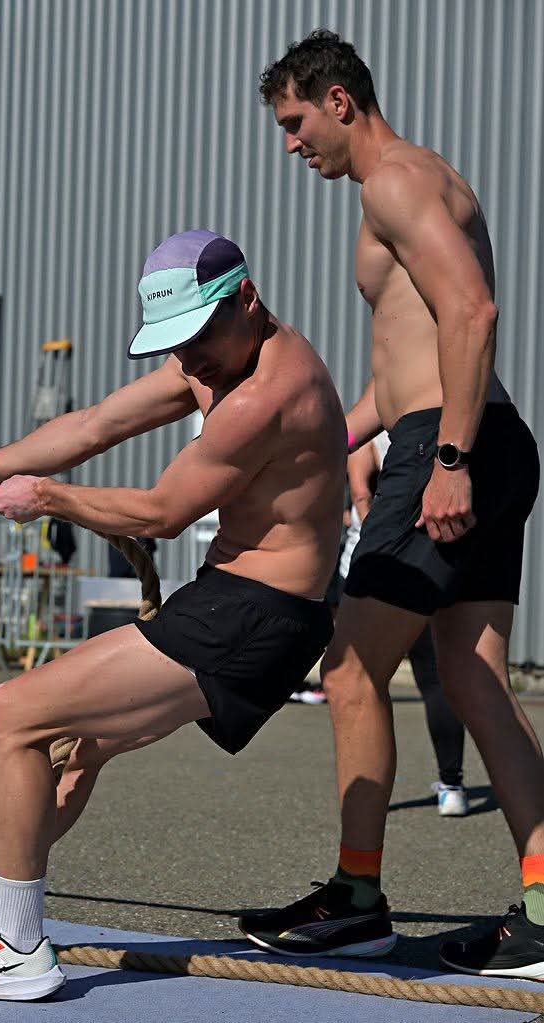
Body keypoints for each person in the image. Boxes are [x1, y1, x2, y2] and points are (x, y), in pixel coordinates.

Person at [0, 228, 346, 1000]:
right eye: (178, 341)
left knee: (12, 713)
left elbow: (162, 510)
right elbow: (96, 424)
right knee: (82, 746)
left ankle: (15, 942)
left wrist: (44, 497)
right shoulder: (218, 355)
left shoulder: (269, 391)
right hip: (240, 604)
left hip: (250, 614)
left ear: (246, 298)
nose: (192, 357)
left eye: (200, 334)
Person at [239, 31, 544, 978]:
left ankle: (355, 898)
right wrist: (332, 444)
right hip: (481, 438)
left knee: (349, 665)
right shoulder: (420, 178)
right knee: (473, 675)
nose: (291, 144)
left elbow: (472, 316)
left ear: (338, 101)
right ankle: (543, 905)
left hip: (453, 446)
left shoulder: (392, 181)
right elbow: (405, 365)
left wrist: (444, 457)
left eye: (294, 122)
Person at [345, 434, 467, 816]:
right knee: (435, 680)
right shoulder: (447, 430)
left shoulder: (369, 438)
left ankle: (370, 795)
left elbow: (361, 499)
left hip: (380, 567)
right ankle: (452, 786)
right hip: (438, 561)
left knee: (364, 684)